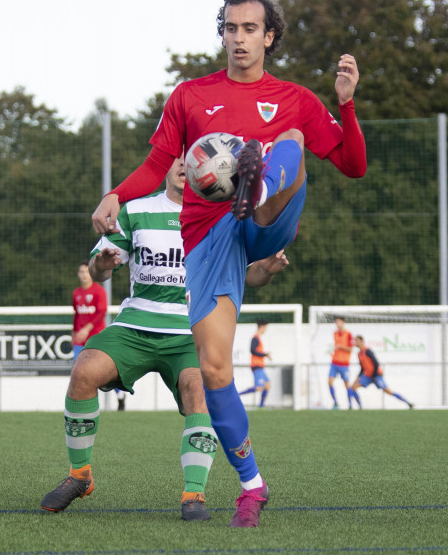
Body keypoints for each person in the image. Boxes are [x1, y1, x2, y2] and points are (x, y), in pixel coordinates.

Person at [91, 0, 366, 527]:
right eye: (230, 28)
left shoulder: (295, 99)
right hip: (207, 239)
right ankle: (252, 487)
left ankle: (256, 187)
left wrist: (346, 103)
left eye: (249, 29)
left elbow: (354, 165)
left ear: (269, 37)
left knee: (290, 136)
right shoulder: (191, 96)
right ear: (223, 33)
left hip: (266, 221)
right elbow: (157, 165)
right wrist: (116, 194)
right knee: (215, 369)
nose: (238, 38)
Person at [42, 158, 289, 521]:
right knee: (84, 370)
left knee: (199, 389)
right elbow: (97, 269)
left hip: (191, 332)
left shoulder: (221, 216)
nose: (181, 165)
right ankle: (80, 476)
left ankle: (194, 496)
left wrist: (265, 270)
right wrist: (103, 266)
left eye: (192, 159)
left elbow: (247, 277)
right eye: (177, 157)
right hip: (135, 325)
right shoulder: (136, 210)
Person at [350, 335, 414, 409]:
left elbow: (376, 364)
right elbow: (362, 368)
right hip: (367, 376)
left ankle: (408, 403)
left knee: (388, 391)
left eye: (356, 341)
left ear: (361, 341)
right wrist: (358, 377)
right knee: (353, 387)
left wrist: (374, 376)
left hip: (376, 375)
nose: (355, 342)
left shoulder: (367, 351)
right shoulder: (358, 354)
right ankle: (360, 407)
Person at [71, 262, 107, 360]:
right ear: (78, 274)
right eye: (82, 272)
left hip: (95, 339)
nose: (84, 274)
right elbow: (77, 315)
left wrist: (86, 329)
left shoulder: (99, 291)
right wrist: (73, 334)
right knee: (78, 370)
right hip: (80, 340)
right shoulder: (76, 293)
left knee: (96, 370)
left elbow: (102, 313)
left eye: (87, 271)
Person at [328, 316, 361, 410]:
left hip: (344, 364)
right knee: (329, 382)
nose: (337, 324)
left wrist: (341, 347)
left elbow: (350, 349)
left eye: (339, 322)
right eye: (336, 322)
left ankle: (351, 404)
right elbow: (336, 347)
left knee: (347, 385)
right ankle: (335, 403)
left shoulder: (349, 334)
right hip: (334, 363)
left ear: (343, 323)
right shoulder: (335, 333)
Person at [239, 319, 272, 408]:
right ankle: (237, 396)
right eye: (265, 328)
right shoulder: (255, 338)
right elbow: (252, 350)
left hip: (260, 366)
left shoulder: (258, 339)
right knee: (259, 387)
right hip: (256, 366)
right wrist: (265, 354)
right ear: (262, 327)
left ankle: (261, 406)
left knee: (267, 385)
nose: (266, 330)